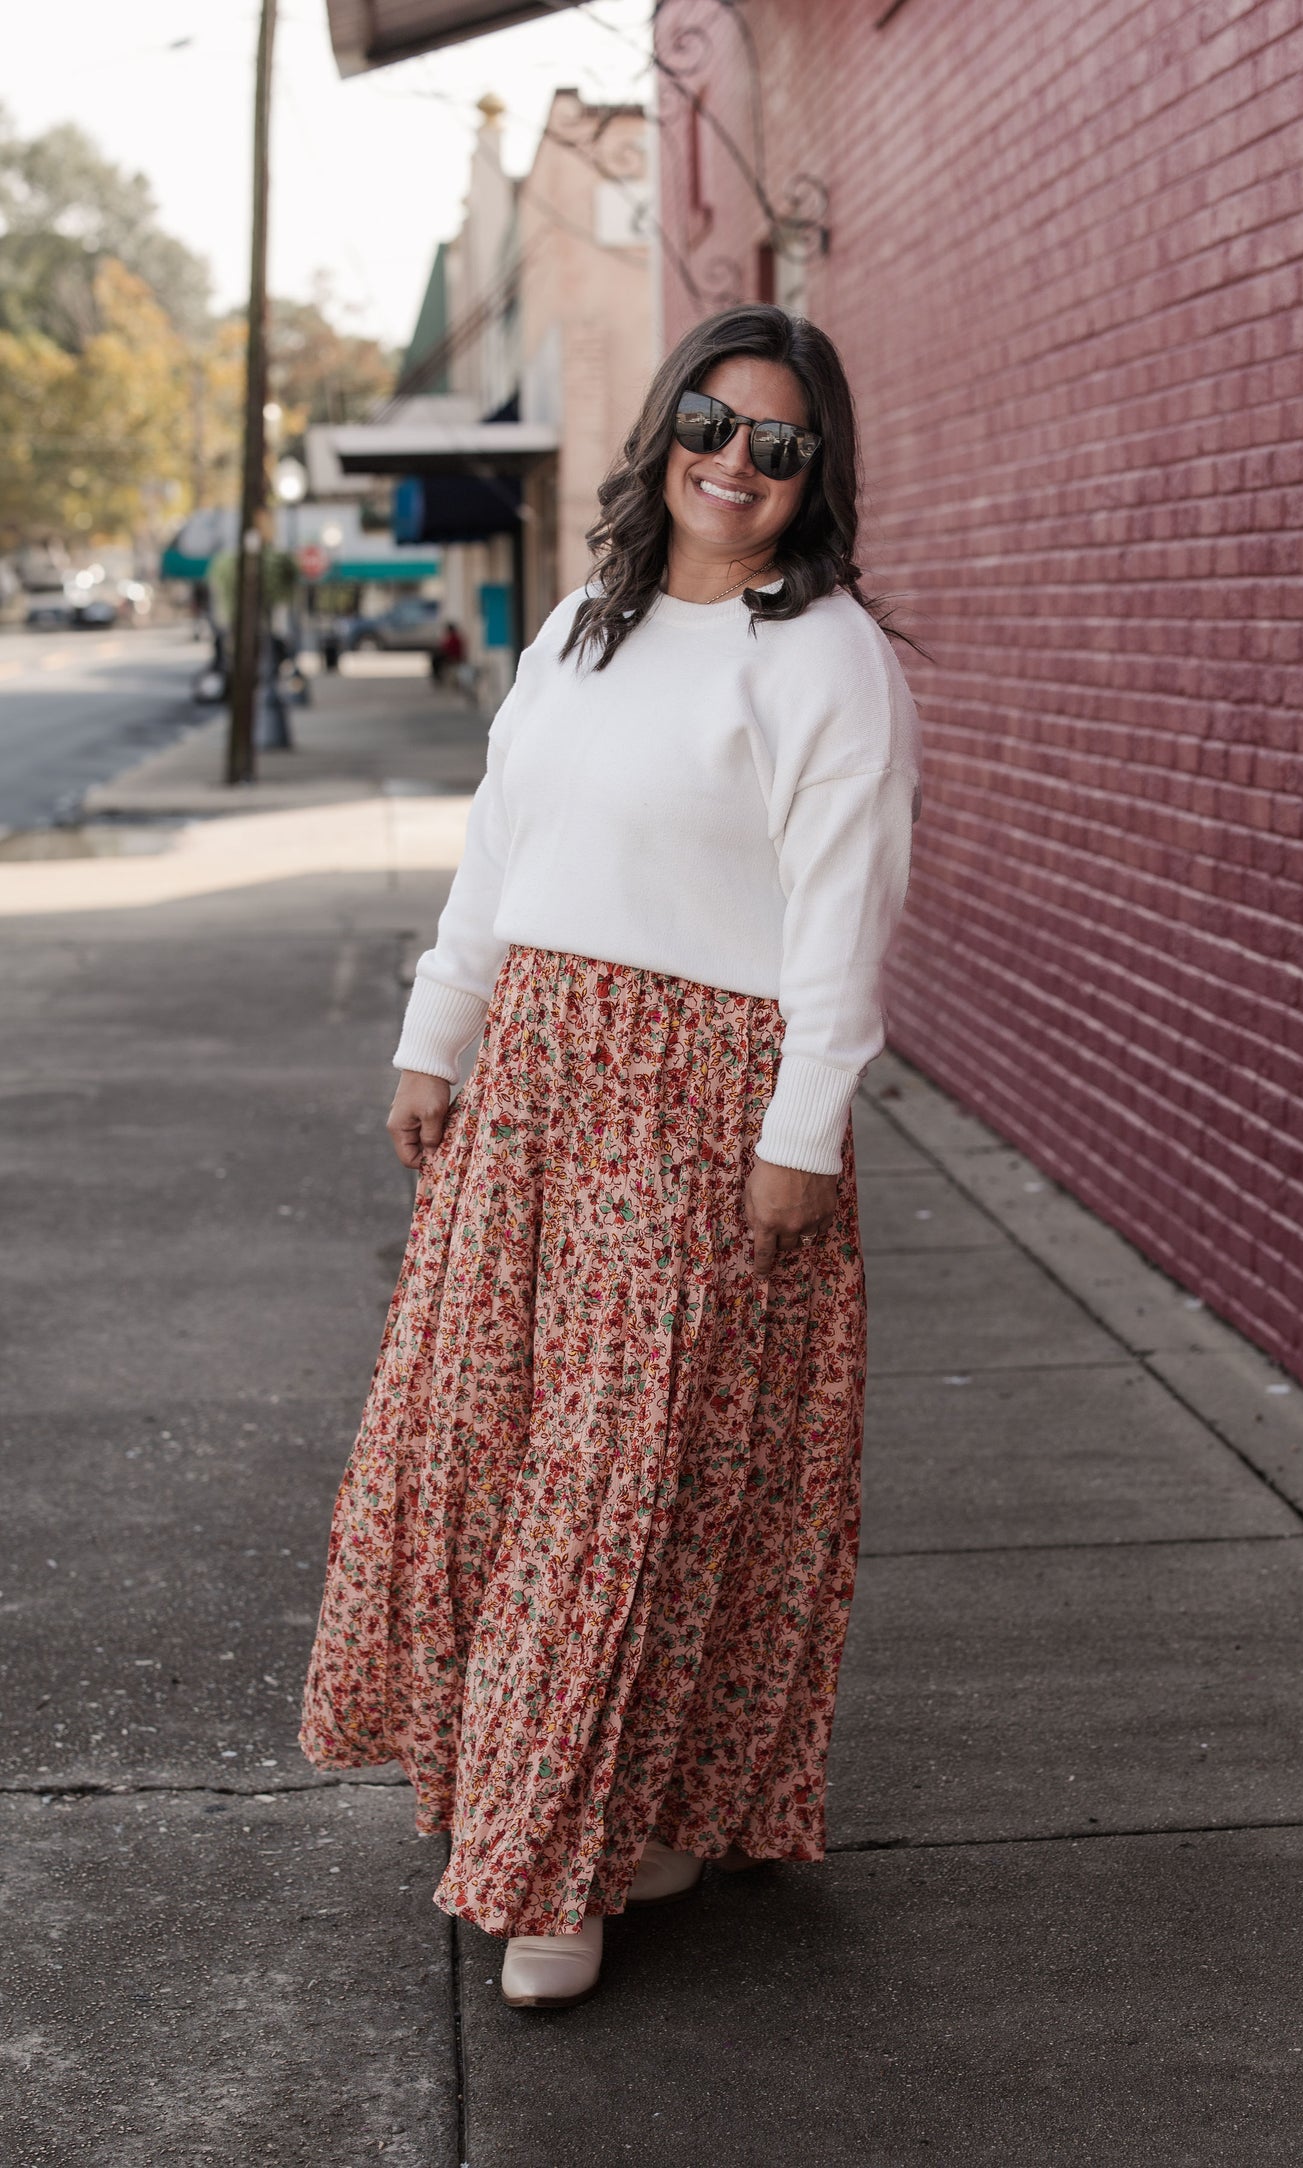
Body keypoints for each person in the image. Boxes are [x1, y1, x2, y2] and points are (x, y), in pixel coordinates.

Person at [299, 303, 922, 2010]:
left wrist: (805, 1130)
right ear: (665, 428)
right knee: (498, 1458)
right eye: (714, 423)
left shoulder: (830, 659)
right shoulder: (582, 625)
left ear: (817, 475)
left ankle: (555, 1860)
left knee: (626, 1482)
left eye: (780, 445)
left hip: (705, 1106)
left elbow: (844, 923)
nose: (737, 461)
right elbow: (502, 850)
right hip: (536, 1087)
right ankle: (603, 1804)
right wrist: (438, 1034)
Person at [432, 618, 466, 687]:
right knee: (435, 658)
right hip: (451, 656)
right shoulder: (453, 637)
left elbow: (448, 648)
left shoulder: (454, 638)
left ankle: (438, 677)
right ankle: (438, 677)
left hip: (453, 657)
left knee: (436, 660)